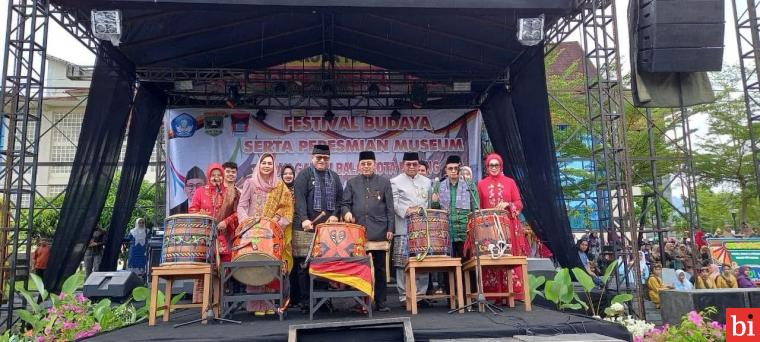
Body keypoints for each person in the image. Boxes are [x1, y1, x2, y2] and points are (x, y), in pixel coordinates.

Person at [237, 153, 293, 315]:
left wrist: (276, 223)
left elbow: (287, 208)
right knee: (255, 264)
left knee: (270, 266)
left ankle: (270, 304)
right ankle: (255, 305)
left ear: (274, 166)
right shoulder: (250, 183)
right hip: (253, 231)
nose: (267, 166)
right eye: (264, 163)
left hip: (271, 232)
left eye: (270, 163)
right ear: (259, 165)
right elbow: (242, 205)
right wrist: (247, 222)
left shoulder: (279, 185)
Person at [342, 151, 394, 312]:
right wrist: (346, 213)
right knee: (359, 269)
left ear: (375, 164)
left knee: (379, 269)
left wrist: (390, 228)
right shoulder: (351, 183)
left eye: (369, 163)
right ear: (358, 166)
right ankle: (360, 302)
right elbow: (345, 203)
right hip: (357, 232)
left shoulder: (384, 182)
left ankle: (381, 303)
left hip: (379, 230)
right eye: (363, 164)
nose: (366, 166)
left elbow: (390, 208)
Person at [293, 144, 343, 311]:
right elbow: (299, 200)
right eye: (319, 158)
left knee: (324, 263)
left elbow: (339, 201)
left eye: (325, 158)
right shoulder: (303, 176)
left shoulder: (334, 177)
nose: (322, 161)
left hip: (327, 229)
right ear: (312, 158)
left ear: (329, 160)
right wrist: (304, 219)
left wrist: (335, 214)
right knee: (304, 265)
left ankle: (323, 301)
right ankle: (306, 302)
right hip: (306, 228)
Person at [476, 153, 528, 300]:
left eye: (496, 165)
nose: (494, 167)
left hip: (508, 226)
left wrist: (508, 204)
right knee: (492, 257)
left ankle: (513, 294)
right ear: (487, 167)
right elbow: (479, 207)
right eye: (491, 165)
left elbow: (519, 203)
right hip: (489, 228)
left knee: (508, 257)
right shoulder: (481, 184)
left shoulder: (510, 182)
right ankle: (494, 295)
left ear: (501, 166)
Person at [189, 162, 240, 303]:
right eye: (213, 175)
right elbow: (192, 210)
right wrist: (202, 216)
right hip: (204, 236)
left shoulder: (230, 193)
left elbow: (237, 213)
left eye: (219, 175)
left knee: (223, 268)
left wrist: (226, 221)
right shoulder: (200, 191)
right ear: (208, 176)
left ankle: (220, 302)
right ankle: (203, 302)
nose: (216, 178)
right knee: (204, 268)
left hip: (224, 236)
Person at [391, 152, 431, 306]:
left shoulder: (427, 182)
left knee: (422, 260)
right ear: (403, 165)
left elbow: (429, 203)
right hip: (403, 227)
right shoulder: (395, 182)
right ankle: (404, 296)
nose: (412, 167)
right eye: (409, 164)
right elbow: (393, 203)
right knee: (402, 263)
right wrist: (407, 210)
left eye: (415, 164)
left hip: (422, 227)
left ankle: (420, 295)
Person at [431, 155, 478, 258]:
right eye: (450, 168)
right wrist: (434, 202)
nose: (453, 171)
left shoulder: (469, 185)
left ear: (460, 170)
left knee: (467, 265)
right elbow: (435, 211)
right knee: (449, 267)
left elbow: (476, 209)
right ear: (446, 170)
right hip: (446, 232)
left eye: (456, 168)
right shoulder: (439, 186)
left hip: (465, 232)